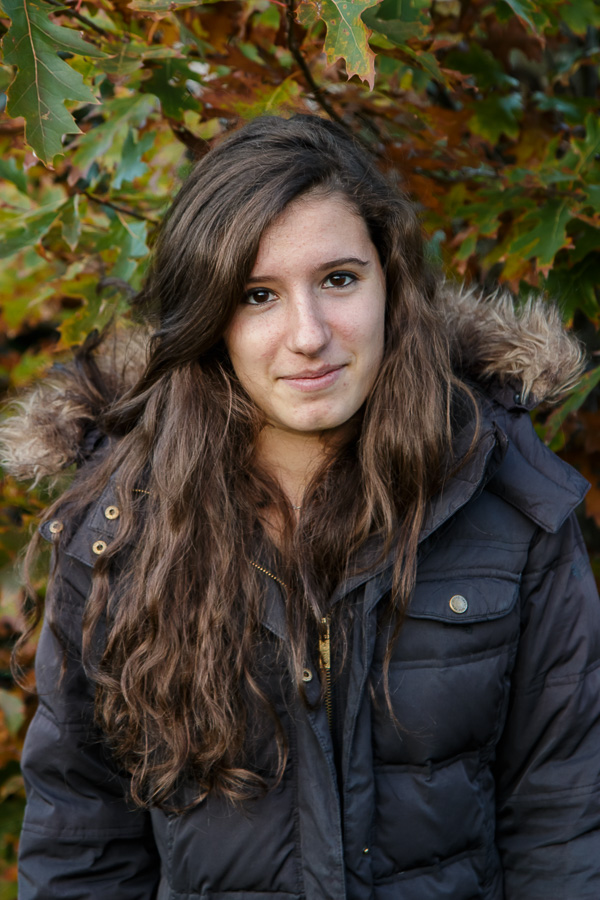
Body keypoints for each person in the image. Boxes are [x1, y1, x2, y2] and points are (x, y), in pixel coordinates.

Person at [2, 113, 600, 900]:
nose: (309, 334)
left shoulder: (508, 503)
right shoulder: (118, 531)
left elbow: (563, 820)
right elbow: (82, 847)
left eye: (339, 280)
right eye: (259, 295)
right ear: (210, 319)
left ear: (390, 284)